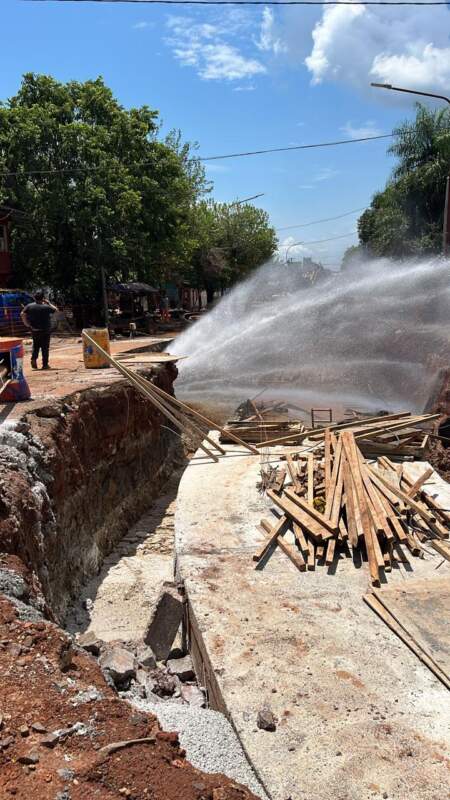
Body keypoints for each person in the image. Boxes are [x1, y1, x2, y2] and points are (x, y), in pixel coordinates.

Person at [21, 290, 58, 370]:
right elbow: (56, 310)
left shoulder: (29, 306)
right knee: (45, 347)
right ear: (43, 298)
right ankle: (45, 365)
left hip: (34, 330)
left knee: (36, 346)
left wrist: (26, 324)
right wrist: (48, 303)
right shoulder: (46, 307)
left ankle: (33, 359)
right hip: (45, 330)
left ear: (34, 298)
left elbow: (22, 314)